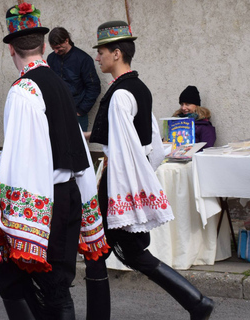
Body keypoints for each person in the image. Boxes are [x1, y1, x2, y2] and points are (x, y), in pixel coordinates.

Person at [86, 21, 215, 320]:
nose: (97, 57)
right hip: (129, 175)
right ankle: (196, 302)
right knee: (129, 253)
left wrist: (122, 193)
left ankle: (197, 302)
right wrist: (87, 136)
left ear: (116, 53)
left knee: (96, 251)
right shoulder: (139, 88)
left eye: (101, 51)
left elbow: (122, 150)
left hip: (118, 181)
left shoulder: (119, 94)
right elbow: (151, 143)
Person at [0, 3, 108, 320]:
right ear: (43, 45)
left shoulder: (24, 90)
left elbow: (21, 157)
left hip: (44, 199)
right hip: (67, 193)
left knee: (43, 286)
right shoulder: (57, 83)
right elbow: (76, 149)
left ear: (11, 49)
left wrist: (11, 214)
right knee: (53, 286)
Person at [47, 27, 101, 132]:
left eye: (58, 47)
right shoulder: (51, 58)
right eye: (53, 48)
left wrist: (81, 110)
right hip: (56, 112)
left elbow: (93, 87)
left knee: (79, 146)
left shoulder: (83, 59)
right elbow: (49, 83)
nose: (56, 51)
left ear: (66, 40)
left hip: (77, 114)